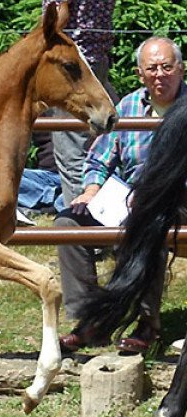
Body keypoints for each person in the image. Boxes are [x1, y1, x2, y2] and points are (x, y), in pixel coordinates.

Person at [58, 36, 187, 354]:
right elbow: (100, 158)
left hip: (177, 201)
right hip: (125, 198)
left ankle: (147, 323)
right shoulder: (127, 106)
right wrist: (91, 190)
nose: (160, 74)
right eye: (152, 68)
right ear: (140, 73)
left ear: (181, 70)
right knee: (66, 224)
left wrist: (155, 195)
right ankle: (90, 319)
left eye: (167, 67)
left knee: (149, 221)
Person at [42, 0, 118, 208]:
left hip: (73, 67)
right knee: (103, 142)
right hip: (98, 59)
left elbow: (58, 20)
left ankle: (80, 219)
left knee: (71, 150)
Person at [18, 130, 63, 216]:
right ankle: (56, 197)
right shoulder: (33, 116)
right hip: (44, 175)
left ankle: (48, 202)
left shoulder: (84, 117)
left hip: (76, 176)